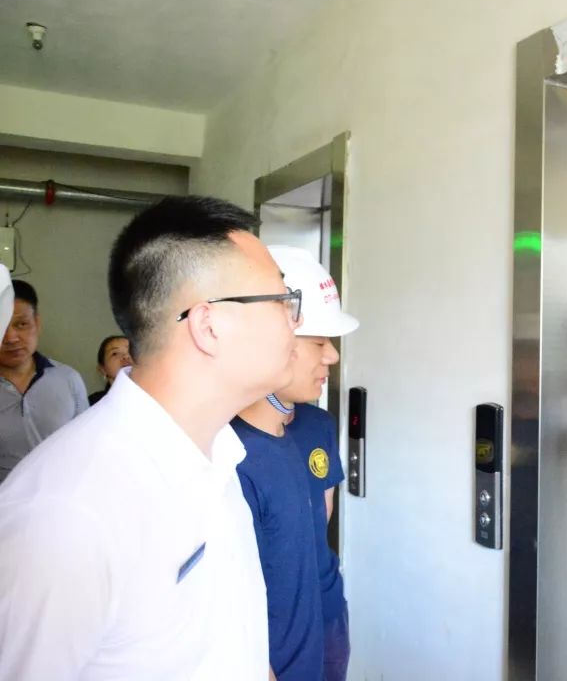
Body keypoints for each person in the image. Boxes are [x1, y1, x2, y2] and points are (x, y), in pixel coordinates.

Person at [0, 196, 300, 680]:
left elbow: (231, 639)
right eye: (283, 299)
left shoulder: (219, 455)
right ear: (208, 325)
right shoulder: (67, 513)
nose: (296, 320)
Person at [232, 246, 358, 681]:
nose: (332, 357)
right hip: (272, 638)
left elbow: (318, 519)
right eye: (319, 343)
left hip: (324, 611)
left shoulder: (314, 425)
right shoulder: (228, 449)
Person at [0, 279, 89, 483]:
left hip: (61, 496)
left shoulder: (68, 380)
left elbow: (85, 449)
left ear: (37, 323)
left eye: (21, 324)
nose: (11, 338)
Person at [88, 335, 132, 405]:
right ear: (102, 369)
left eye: (131, 351)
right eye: (115, 354)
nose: (126, 356)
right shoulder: (95, 403)